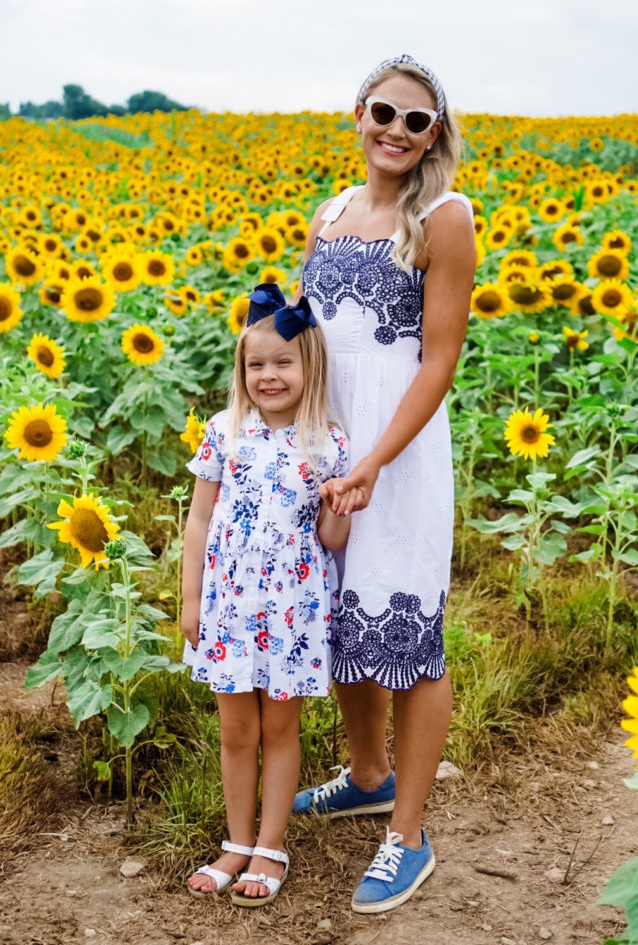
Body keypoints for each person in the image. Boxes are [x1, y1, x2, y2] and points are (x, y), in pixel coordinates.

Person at [293, 54, 477, 913]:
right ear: (357, 114)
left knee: (405, 635)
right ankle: (365, 776)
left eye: (417, 120)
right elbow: (310, 342)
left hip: (397, 457)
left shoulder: (445, 217)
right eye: (383, 112)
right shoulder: (328, 215)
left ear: (435, 133)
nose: (396, 131)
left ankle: (407, 833)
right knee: (339, 619)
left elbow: (438, 360)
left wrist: (372, 461)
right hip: (328, 446)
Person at [181, 284, 355, 907]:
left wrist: (342, 504)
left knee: (280, 729)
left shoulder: (328, 442)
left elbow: (331, 537)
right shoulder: (225, 432)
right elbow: (200, 521)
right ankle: (235, 840)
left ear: (310, 367)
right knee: (235, 731)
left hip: (291, 610)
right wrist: (191, 599)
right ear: (241, 370)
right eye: (256, 364)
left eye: (283, 362)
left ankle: (270, 845)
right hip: (229, 607)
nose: (268, 375)